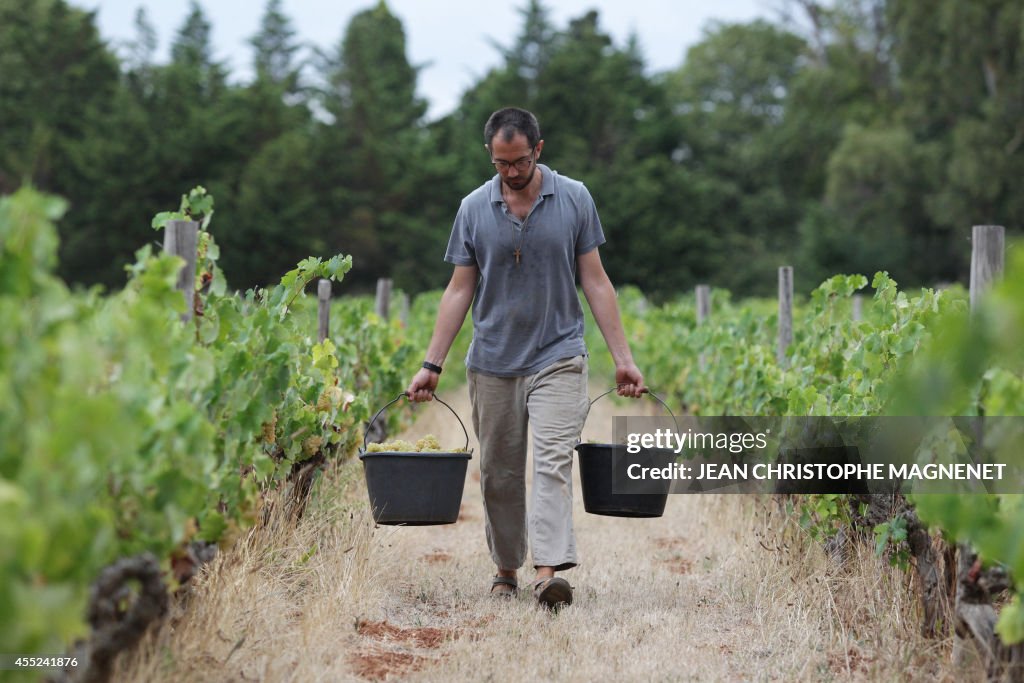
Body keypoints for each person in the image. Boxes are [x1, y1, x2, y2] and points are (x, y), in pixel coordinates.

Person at [406, 107, 645, 608]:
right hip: (492, 359)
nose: (510, 173)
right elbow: (458, 290)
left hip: (558, 354)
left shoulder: (574, 198)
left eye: (517, 162)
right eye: (500, 163)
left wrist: (622, 357)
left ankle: (547, 573)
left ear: (538, 150)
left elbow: (596, 281)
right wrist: (432, 364)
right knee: (500, 472)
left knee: (553, 462)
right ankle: (506, 568)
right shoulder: (473, 208)